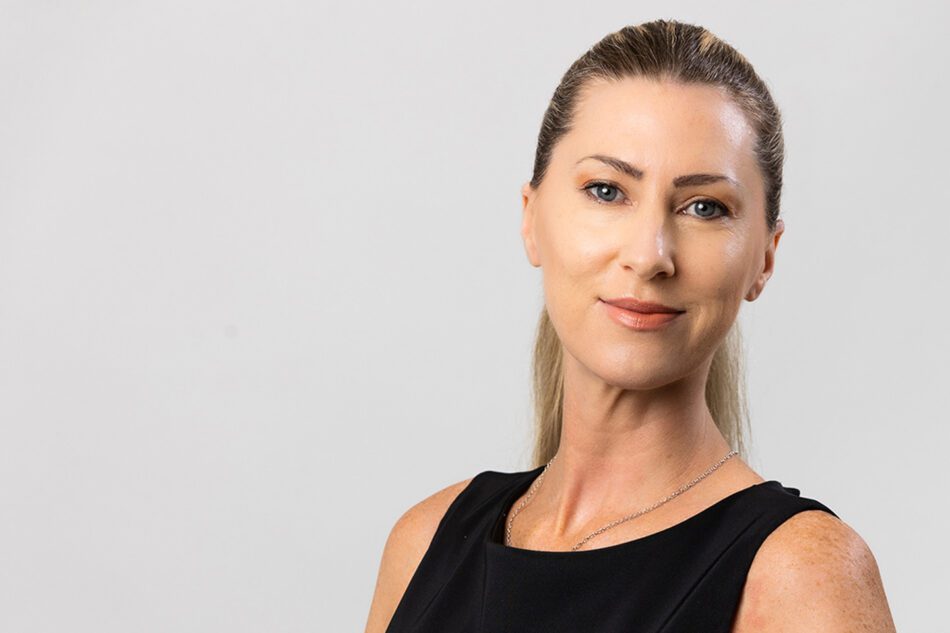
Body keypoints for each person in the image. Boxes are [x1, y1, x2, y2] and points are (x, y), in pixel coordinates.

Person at [364, 18, 896, 633]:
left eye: (705, 207)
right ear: (531, 218)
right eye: (606, 190)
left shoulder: (800, 576)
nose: (649, 255)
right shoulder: (423, 544)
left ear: (765, 259)